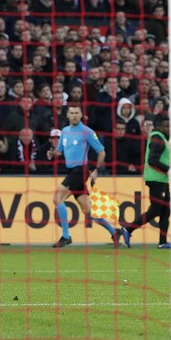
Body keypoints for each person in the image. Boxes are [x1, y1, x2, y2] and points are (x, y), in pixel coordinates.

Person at [46, 104, 116, 248]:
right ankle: (114, 231)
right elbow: (60, 151)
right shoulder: (65, 131)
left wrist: (96, 170)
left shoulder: (87, 132)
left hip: (81, 170)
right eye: (71, 113)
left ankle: (66, 236)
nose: (74, 115)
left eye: (76, 113)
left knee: (57, 198)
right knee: (87, 210)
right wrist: (52, 153)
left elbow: (101, 151)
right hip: (72, 171)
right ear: (67, 115)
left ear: (81, 115)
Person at [120, 115, 171, 249]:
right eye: (166, 126)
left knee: (165, 211)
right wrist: (169, 169)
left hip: (162, 179)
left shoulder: (161, 138)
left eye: (170, 126)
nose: (169, 128)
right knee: (155, 210)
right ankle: (128, 229)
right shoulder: (158, 138)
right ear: (159, 127)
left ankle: (163, 242)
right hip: (156, 179)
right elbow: (152, 160)